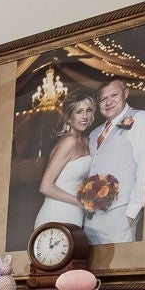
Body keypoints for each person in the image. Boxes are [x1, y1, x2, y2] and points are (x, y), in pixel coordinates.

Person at [86, 77, 145, 245]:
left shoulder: (140, 118)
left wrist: (130, 215)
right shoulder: (94, 133)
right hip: (91, 215)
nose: (108, 102)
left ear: (125, 93)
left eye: (114, 95)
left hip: (121, 212)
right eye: (103, 99)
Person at [32, 90, 98, 231]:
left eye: (88, 110)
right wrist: (81, 203)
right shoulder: (69, 141)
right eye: (79, 111)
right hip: (57, 212)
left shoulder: (86, 141)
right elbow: (45, 186)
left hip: (75, 213)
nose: (85, 116)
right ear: (69, 117)